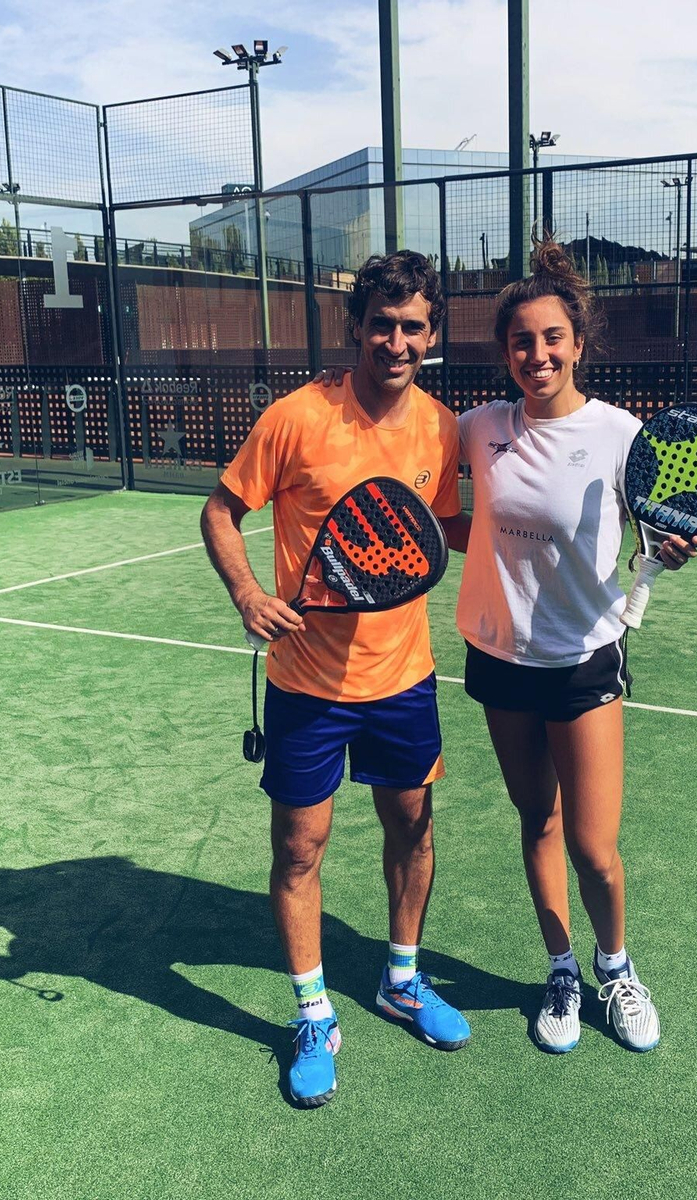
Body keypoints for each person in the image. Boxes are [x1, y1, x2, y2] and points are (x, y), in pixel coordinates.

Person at [200, 250, 469, 1109]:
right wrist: (247, 592)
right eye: (382, 325)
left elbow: (446, 533)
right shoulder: (295, 416)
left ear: (432, 334)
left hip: (405, 680)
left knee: (412, 832)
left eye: (413, 326)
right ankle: (313, 1012)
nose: (396, 341)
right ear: (356, 326)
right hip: (306, 687)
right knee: (299, 848)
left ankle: (401, 979)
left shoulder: (441, 429)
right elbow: (219, 510)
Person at [454, 238, 697, 1054]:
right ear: (504, 352)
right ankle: (560, 968)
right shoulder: (479, 429)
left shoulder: (621, 435)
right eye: (522, 341)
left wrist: (663, 551)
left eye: (552, 338)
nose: (537, 354)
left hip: (584, 661)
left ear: (578, 344)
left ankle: (616, 966)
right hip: (498, 660)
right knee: (536, 820)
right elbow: (462, 515)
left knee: (595, 850)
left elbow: (655, 532)